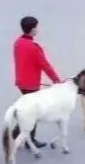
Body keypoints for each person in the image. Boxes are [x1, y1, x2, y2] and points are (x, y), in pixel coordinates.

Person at [13, 16, 61, 148]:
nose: (37, 30)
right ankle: (29, 139)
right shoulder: (34, 47)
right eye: (36, 27)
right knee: (33, 112)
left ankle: (18, 133)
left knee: (28, 109)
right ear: (32, 29)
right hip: (31, 84)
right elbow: (45, 66)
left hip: (21, 81)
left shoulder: (18, 42)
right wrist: (57, 81)